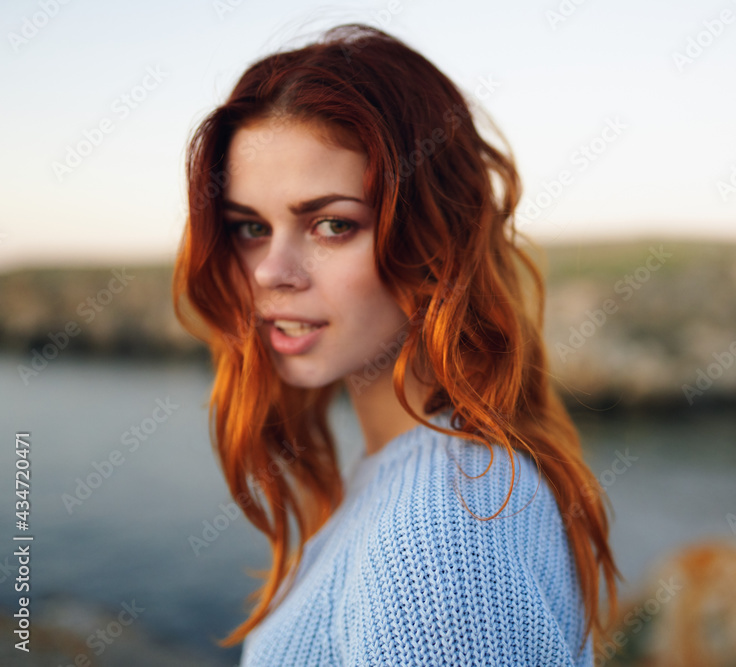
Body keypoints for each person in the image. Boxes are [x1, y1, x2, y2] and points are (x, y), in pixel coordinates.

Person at [172, 23, 621, 666]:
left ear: (435, 239)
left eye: (331, 224)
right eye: (250, 227)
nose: (272, 271)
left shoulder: (443, 537)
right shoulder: (432, 475)